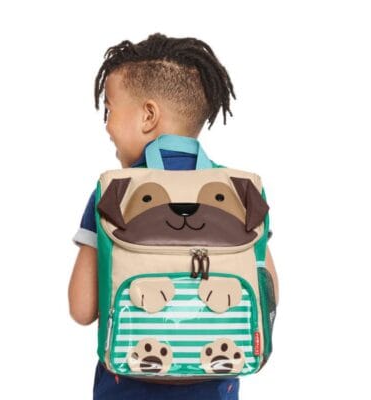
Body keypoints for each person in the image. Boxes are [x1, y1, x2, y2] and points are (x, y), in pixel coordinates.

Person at [68, 32, 279, 400]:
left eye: (110, 110)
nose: (107, 126)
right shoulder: (239, 191)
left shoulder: (116, 191)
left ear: (148, 116)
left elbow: (82, 308)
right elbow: (268, 291)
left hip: (126, 389)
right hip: (216, 385)